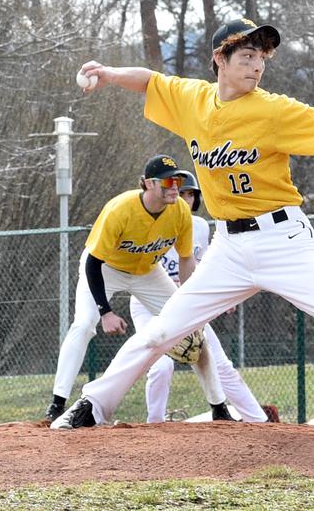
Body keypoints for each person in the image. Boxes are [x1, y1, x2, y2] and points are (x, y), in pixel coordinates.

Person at [52, 18, 314, 438]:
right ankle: (93, 406)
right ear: (219, 59)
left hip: (283, 241)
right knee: (162, 331)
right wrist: (108, 73)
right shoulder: (193, 100)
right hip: (228, 248)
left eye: (261, 57)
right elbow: (149, 80)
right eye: (246, 54)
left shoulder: (273, 110)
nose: (257, 65)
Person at [44, 154, 237, 424]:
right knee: (84, 324)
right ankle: (57, 403)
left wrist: (191, 303)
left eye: (178, 182)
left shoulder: (179, 211)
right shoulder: (119, 209)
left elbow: (186, 261)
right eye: (168, 182)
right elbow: (93, 263)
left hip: (147, 272)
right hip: (105, 269)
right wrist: (106, 312)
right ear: (147, 184)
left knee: (192, 327)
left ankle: (219, 408)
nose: (174, 188)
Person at [128, 171, 268, 422]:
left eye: (191, 194)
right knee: (161, 365)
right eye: (181, 193)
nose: (186, 198)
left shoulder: (200, 227)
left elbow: (205, 268)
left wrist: (223, 297)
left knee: (221, 365)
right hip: (149, 306)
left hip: (187, 307)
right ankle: (155, 425)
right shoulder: (149, 222)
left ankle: (259, 421)